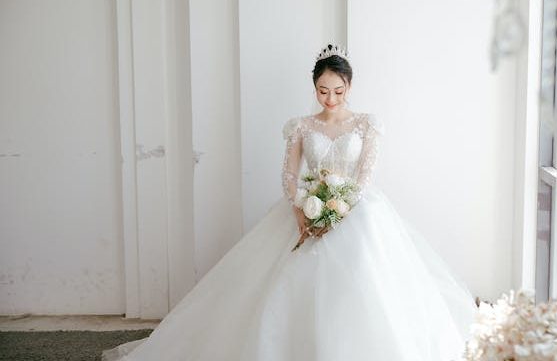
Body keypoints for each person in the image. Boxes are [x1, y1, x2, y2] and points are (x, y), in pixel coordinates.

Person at [101, 43, 477, 361]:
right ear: (314, 87)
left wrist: (340, 208)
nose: (330, 99)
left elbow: (364, 175)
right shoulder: (301, 126)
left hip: (357, 211)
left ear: (349, 86)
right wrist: (302, 211)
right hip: (305, 209)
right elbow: (289, 175)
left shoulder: (366, 124)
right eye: (322, 90)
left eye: (338, 90)